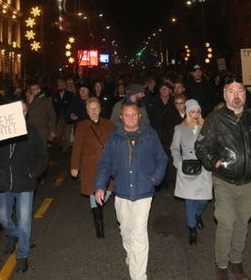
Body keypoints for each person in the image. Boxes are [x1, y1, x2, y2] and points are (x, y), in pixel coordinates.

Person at [195, 79, 251, 280]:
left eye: (240, 90)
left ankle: (236, 261)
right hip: (224, 180)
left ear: (245, 94)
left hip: (249, 181)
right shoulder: (215, 119)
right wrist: (215, 163)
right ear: (225, 94)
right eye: (231, 91)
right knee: (226, 221)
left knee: (243, 221)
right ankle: (221, 264)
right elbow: (202, 146)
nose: (236, 95)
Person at [94, 103, 168, 280]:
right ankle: (130, 253)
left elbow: (162, 159)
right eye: (127, 115)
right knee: (126, 230)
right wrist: (100, 186)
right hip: (122, 192)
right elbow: (105, 164)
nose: (131, 119)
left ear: (139, 116)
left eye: (134, 115)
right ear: (121, 117)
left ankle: (139, 275)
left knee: (139, 234)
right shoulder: (114, 138)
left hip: (144, 192)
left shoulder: (150, 135)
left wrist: (154, 179)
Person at [0, 100, 48, 273]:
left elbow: (42, 156)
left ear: (26, 112)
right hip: (4, 183)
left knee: (24, 221)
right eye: (16, 110)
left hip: (25, 184)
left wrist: (32, 173)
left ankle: (22, 255)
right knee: (4, 218)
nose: (20, 113)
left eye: (23, 110)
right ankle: (13, 235)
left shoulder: (32, 132)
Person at [70, 97, 115, 238]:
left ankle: (98, 209)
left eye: (96, 108)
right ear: (87, 111)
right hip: (89, 166)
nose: (94, 111)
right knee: (92, 192)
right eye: (91, 109)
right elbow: (77, 147)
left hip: (108, 165)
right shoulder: (82, 126)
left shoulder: (109, 124)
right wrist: (74, 166)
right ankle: (99, 227)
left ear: (100, 109)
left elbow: (116, 143)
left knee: (107, 191)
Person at [170, 99, 212, 245]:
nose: (195, 114)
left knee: (203, 200)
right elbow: (174, 148)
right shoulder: (180, 128)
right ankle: (192, 229)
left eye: (198, 111)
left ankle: (196, 215)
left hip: (204, 168)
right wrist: (178, 163)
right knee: (190, 201)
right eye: (192, 112)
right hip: (187, 168)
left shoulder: (206, 127)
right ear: (188, 113)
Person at [52, 78, 75, 152]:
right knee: (58, 133)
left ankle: (65, 149)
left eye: (61, 84)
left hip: (67, 117)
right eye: (58, 84)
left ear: (64, 85)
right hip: (59, 117)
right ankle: (60, 145)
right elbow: (53, 106)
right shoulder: (55, 94)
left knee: (67, 134)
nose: (59, 86)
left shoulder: (70, 94)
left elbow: (72, 106)